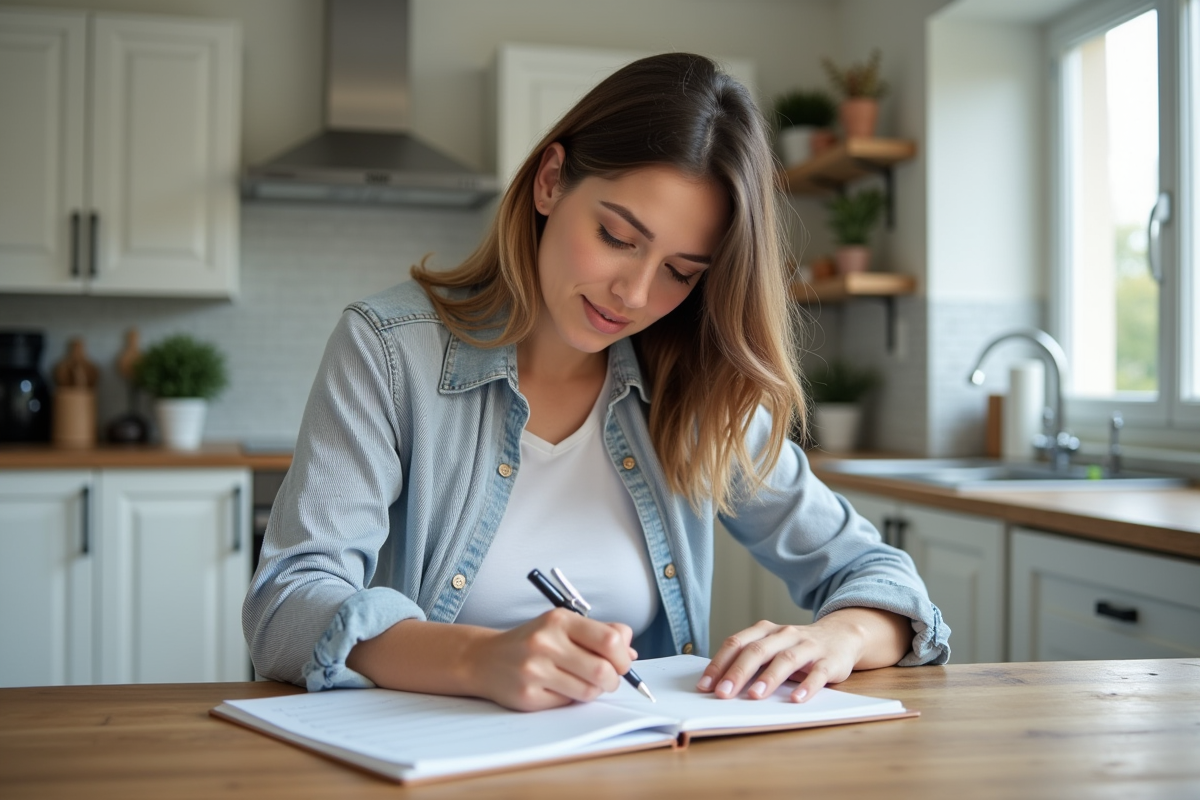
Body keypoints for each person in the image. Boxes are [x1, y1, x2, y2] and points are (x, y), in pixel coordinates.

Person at [244, 52, 949, 712]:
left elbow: (885, 582)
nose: (635, 294)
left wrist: (839, 638)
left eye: (681, 271)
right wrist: (475, 659)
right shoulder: (390, 351)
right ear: (551, 181)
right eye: (617, 236)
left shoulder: (694, 388)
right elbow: (286, 606)